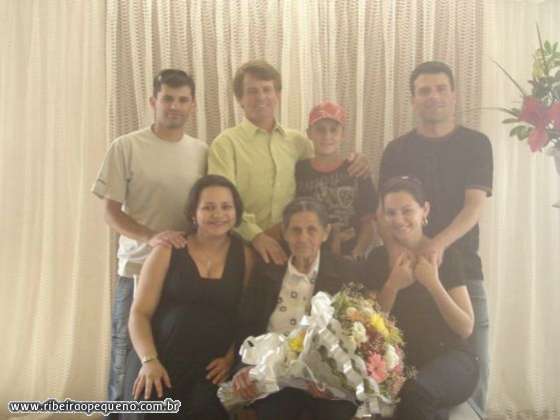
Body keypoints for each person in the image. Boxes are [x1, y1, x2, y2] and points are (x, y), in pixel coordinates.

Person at [378, 61, 492, 418]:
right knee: (416, 377)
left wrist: (436, 246)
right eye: (424, 90)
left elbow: (474, 207)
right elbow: (384, 212)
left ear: (454, 95)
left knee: (474, 370)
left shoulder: (476, 144)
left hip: (463, 270)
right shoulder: (397, 150)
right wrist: (397, 258)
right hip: (408, 274)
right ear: (413, 100)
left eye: (441, 88)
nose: (434, 96)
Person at [91, 69, 207, 409]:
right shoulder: (126, 147)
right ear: (153, 102)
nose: (175, 106)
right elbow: (110, 213)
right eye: (168, 99)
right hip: (136, 270)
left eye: (183, 100)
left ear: (193, 105)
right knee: (125, 360)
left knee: (166, 361)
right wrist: (152, 237)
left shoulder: (202, 151)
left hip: (182, 276)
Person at [208, 60, 370, 266]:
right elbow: (222, 202)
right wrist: (256, 236)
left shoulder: (298, 142)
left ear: (277, 95)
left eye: (267, 89)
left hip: (294, 245)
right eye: (252, 91)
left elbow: (324, 165)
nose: (261, 97)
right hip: (242, 245)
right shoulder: (225, 144)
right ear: (240, 99)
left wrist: (357, 161)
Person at [121, 175, 253, 420]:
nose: (218, 214)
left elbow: (245, 316)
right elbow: (139, 313)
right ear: (193, 213)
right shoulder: (167, 248)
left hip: (211, 369)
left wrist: (230, 357)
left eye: (226, 207)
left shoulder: (245, 255)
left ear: (236, 213)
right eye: (208, 207)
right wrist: (149, 361)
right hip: (160, 358)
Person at [231, 197, 359, 420]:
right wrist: (243, 366)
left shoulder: (344, 271)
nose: (303, 238)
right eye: (296, 230)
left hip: (324, 376)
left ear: (326, 232)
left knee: (338, 413)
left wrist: (331, 377)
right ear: (285, 232)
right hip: (274, 373)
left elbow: (352, 332)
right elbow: (248, 323)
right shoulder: (267, 269)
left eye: (312, 230)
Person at [366, 176, 479, 420]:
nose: (399, 220)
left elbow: (465, 327)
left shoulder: (447, 256)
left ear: (424, 210)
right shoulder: (377, 259)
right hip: (404, 361)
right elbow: (372, 327)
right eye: (391, 213)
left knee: (416, 393)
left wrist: (432, 283)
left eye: (407, 210)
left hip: (451, 358)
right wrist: (393, 285)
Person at [295, 100, 378, 259]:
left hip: (350, 257)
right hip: (310, 257)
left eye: (334, 130)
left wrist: (357, 254)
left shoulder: (357, 170)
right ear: (309, 133)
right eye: (320, 129)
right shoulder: (299, 171)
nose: (327, 136)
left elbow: (369, 222)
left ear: (343, 134)